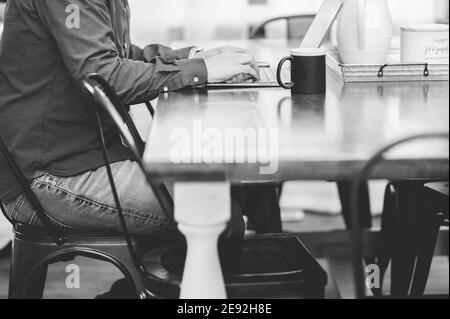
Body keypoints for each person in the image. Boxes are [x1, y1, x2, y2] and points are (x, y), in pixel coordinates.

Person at [0, 0, 254, 296]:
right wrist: (201, 70)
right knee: (216, 211)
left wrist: (194, 59)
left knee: (222, 189)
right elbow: (105, 74)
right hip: (47, 175)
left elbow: (118, 54)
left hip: (86, 157)